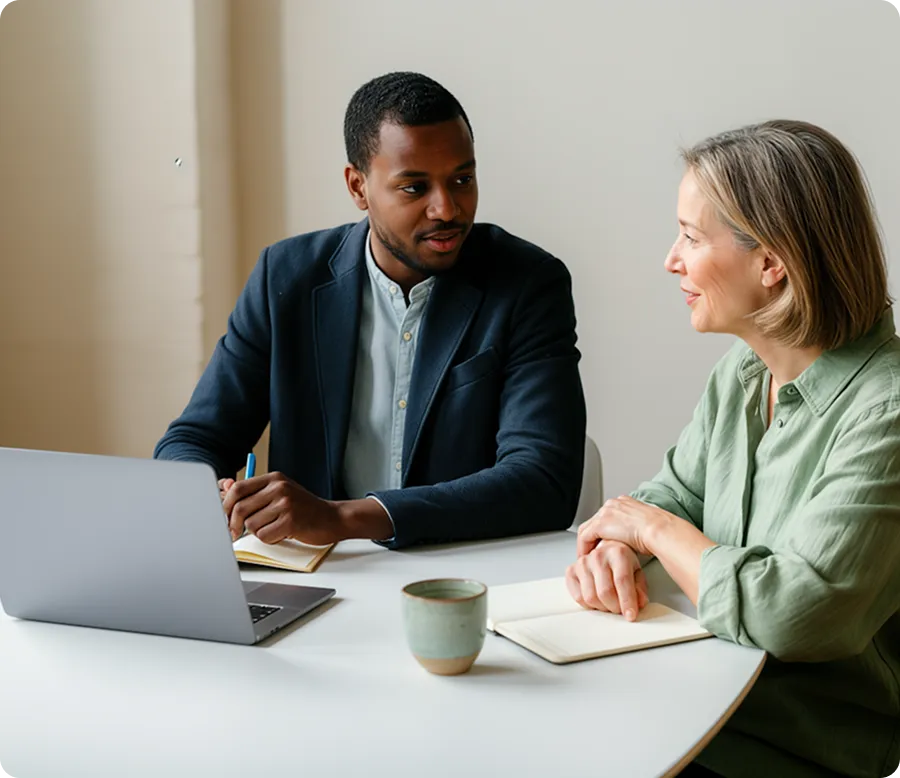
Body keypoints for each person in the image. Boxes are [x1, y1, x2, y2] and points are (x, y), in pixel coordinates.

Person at [568, 121, 900, 777]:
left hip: (808, 756)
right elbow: (671, 494)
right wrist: (618, 545)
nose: (671, 259)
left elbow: (792, 612)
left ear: (771, 263)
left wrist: (653, 529)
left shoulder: (886, 414)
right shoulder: (742, 373)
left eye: (691, 237)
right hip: (695, 709)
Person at [154, 72, 586, 549]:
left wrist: (342, 518)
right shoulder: (287, 277)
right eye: (414, 188)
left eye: (462, 179)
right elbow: (194, 438)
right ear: (358, 187)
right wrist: (211, 495)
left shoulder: (527, 283)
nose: (447, 208)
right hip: (319, 580)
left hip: (461, 576)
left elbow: (544, 481)